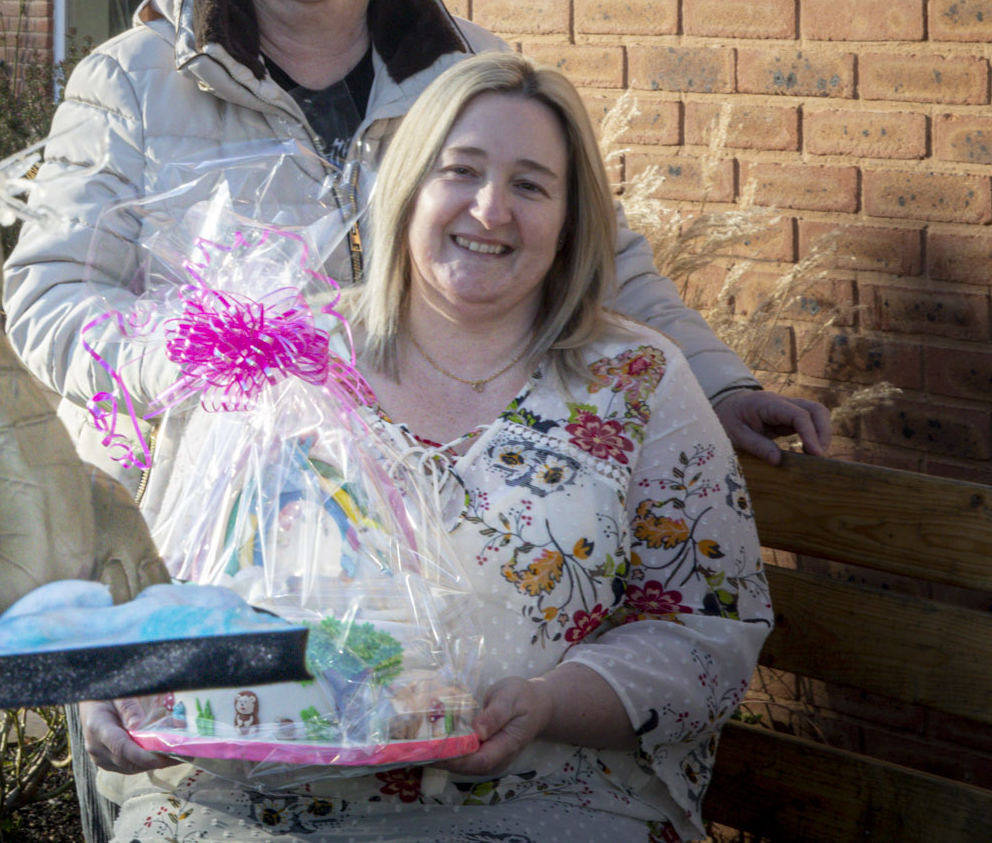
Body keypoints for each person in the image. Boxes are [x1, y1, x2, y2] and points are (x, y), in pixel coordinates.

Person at [6, 0, 830, 469]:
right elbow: (48, 300)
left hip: (440, 490)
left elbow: (596, 258)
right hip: (201, 501)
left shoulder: (472, 70)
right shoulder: (129, 81)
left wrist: (717, 382)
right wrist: (196, 360)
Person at [82, 52, 773, 841]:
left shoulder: (635, 377)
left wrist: (551, 701)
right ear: (406, 187)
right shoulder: (282, 355)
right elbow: (153, 580)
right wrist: (113, 673)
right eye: (461, 170)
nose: (489, 209)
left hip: (544, 794)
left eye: (530, 184)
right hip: (249, 798)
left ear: (572, 217)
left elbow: (708, 629)